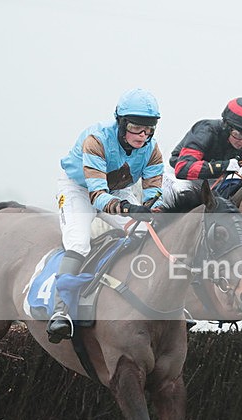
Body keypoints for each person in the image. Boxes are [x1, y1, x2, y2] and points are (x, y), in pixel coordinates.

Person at [47, 88, 164, 343]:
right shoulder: (97, 139)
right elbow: (97, 196)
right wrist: (131, 209)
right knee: (78, 242)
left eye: (149, 129)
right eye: (136, 127)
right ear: (121, 124)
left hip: (117, 189)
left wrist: (153, 210)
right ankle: (60, 310)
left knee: (148, 234)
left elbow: (154, 194)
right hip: (80, 188)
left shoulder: (152, 149)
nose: (143, 135)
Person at [160, 97, 242, 211]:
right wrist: (223, 166)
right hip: (181, 178)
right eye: (238, 134)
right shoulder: (205, 130)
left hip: (214, 181)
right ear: (226, 126)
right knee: (183, 197)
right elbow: (183, 169)